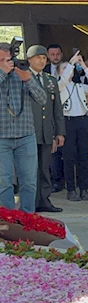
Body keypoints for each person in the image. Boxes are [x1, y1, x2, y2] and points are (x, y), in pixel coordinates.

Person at [0, 42, 47, 212]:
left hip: (25, 135)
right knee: (3, 181)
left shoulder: (23, 72)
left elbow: (43, 99)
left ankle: (28, 218)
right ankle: (7, 220)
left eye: (9, 59)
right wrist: (2, 73)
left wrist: (28, 79)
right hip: (1, 137)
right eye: (2, 60)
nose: (8, 63)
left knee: (28, 181)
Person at [28, 45, 65, 213]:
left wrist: (59, 132)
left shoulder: (50, 80)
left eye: (44, 58)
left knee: (45, 167)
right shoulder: (23, 77)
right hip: (28, 131)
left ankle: (45, 200)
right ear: (29, 60)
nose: (42, 61)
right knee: (30, 169)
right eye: (38, 57)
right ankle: (31, 202)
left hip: (46, 131)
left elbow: (57, 108)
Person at [58, 51, 88, 202]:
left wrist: (84, 67)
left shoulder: (79, 86)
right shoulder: (58, 85)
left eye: (70, 69)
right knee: (69, 158)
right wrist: (71, 63)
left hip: (82, 121)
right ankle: (71, 189)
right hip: (67, 122)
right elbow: (62, 81)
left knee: (83, 157)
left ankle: (84, 189)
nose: (69, 71)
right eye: (65, 69)